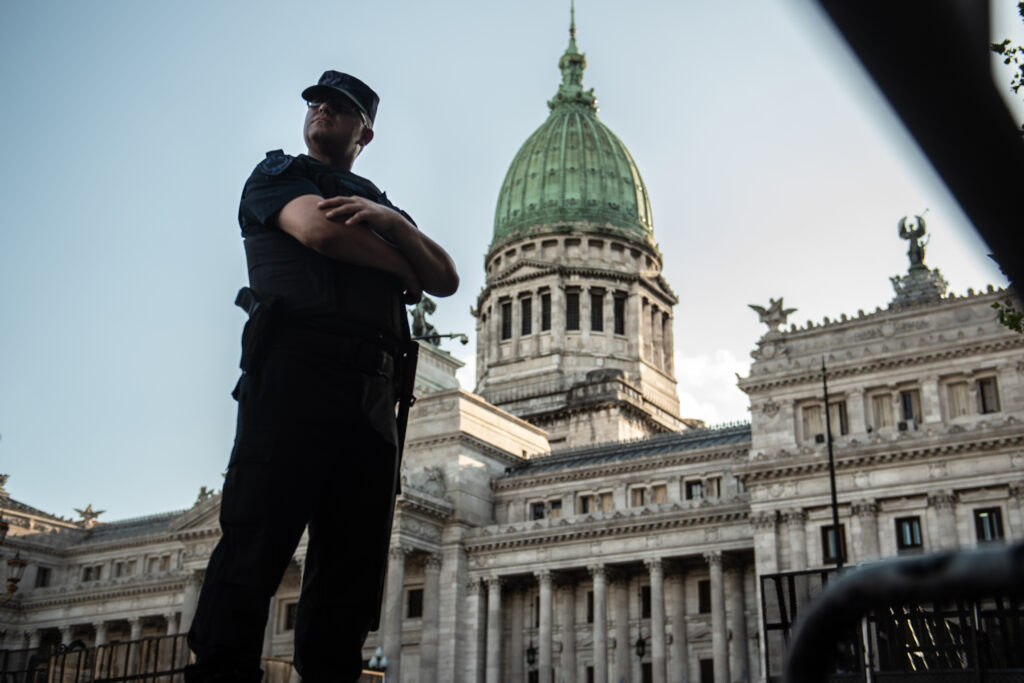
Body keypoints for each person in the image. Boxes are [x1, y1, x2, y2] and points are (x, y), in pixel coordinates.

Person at [185, 71, 459, 683]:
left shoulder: (384, 204)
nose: (322, 111)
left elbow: (443, 278)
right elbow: (319, 233)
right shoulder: (279, 175)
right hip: (295, 374)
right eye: (316, 102)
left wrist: (396, 226)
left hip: (375, 393)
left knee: (352, 562)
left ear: (366, 129)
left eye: (340, 107)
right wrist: (399, 260)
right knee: (256, 542)